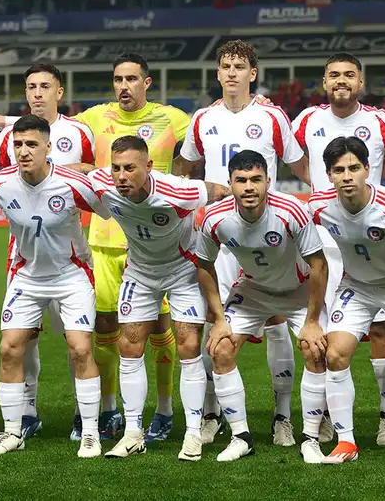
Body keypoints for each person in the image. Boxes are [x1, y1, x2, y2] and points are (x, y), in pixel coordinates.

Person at [175, 39, 316, 448]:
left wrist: (326, 202)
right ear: (217, 73)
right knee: (212, 323)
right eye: (226, 66)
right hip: (220, 235)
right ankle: (212, 413)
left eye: (240, 66)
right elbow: (185, 165)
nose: (232, 72)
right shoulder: (202, 119)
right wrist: (186, 199)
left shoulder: (273, 116)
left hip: (265, 234)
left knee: (275, 325)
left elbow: (300, 165)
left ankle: (283, 415)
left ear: (252, 74)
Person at [70, 53, 192, 443]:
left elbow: (215, 125)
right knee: (106, 327)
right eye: (118, 79)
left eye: (132, 79)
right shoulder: (94, 117)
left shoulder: (172, 118)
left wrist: (257, 102)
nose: (124, 86)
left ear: (147, 82)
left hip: (157, 244)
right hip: (105, 241)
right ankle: (109, 409)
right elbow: (53, 126)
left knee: (159, 328)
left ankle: (165, 409)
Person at [292, 53, 385, 446]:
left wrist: (376, 177)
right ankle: (325, 414)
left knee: (378, 329)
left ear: (360, 82)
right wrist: (317, 184)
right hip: (323, 239)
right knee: (323, 330)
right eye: (333, 75)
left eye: (349, 75)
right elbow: (294, 159)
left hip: (368, 238)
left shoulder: (382, 121)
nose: (341, 81)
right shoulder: (307, 120)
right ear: (324, 82)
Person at [86, 135, 228, 461]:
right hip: (141, 272)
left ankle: (193, 433)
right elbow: (82, 173)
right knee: (129, 346)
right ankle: (133, 433)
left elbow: (221, 190)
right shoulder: (103, 184)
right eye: (117, 168)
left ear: (148, 167)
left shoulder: (179, 191)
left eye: (130, 169)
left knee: (188, 346)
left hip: (183, 270)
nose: (121, 176)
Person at [0, 115, 106, 458]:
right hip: (27, 276)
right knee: (10, 348)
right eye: (18, 145)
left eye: (32, 144)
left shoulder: (72, 183)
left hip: (71, 275)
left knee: (80, 349)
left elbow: (112, 210)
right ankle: (13, 431)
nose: (24, 151)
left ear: (49, 147)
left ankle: (91, 432)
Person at [307, 136, 385, 467]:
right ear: (329, 175)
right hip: (356, 286)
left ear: (367, 169)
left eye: (353, 168)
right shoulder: (319, 207)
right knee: (334, 354)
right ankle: (346, 442)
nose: (347, 176)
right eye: (338, 170)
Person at [196, 149, 329, 464]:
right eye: (241, 180)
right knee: (220, 348)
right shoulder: (216, 218)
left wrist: (312, 320)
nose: (249, 187)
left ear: (269, 181)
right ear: (230, 183)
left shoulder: (291, 211)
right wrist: (217, 318)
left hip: (297, 289)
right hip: (254, 290)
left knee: (315, 348)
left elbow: (319, 265)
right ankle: (241, 437)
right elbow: (203, 265)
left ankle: (310, 438)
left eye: (256, 179)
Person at [0, 63, 96, 440]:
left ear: (59, 92)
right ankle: (27, 411)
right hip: (24, 253)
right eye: (31, 86)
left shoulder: (79, 132)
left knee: (77, 341)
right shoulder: (10, 136)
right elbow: (4, 186)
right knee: (23, 338)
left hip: (68, 251)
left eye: (44, 86)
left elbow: (95, 181)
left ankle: (84, 416)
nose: (36, 93)